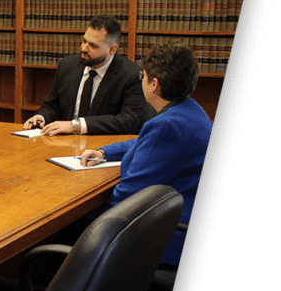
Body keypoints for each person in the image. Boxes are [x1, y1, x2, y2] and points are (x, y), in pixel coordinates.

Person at [78, 43, 212, 267]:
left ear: (154, 85)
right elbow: (144, 141)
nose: (142, 79)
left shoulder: (167, 127)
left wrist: (83, 211)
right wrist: (104, 152)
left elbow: (126, 201)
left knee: (74, 225)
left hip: (165, 235)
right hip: (179, 217)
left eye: (144, 75)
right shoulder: (191, 110)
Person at [22, 15, 153, 136]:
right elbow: (52, 105)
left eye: (93, 46)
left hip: (99, 148)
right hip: (63, 143)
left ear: (112, 49)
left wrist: (77, 125)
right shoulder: (67, 65)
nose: (84, 48)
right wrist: (41, 117)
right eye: (84, 41)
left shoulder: (131, 75)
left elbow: (128, 122)